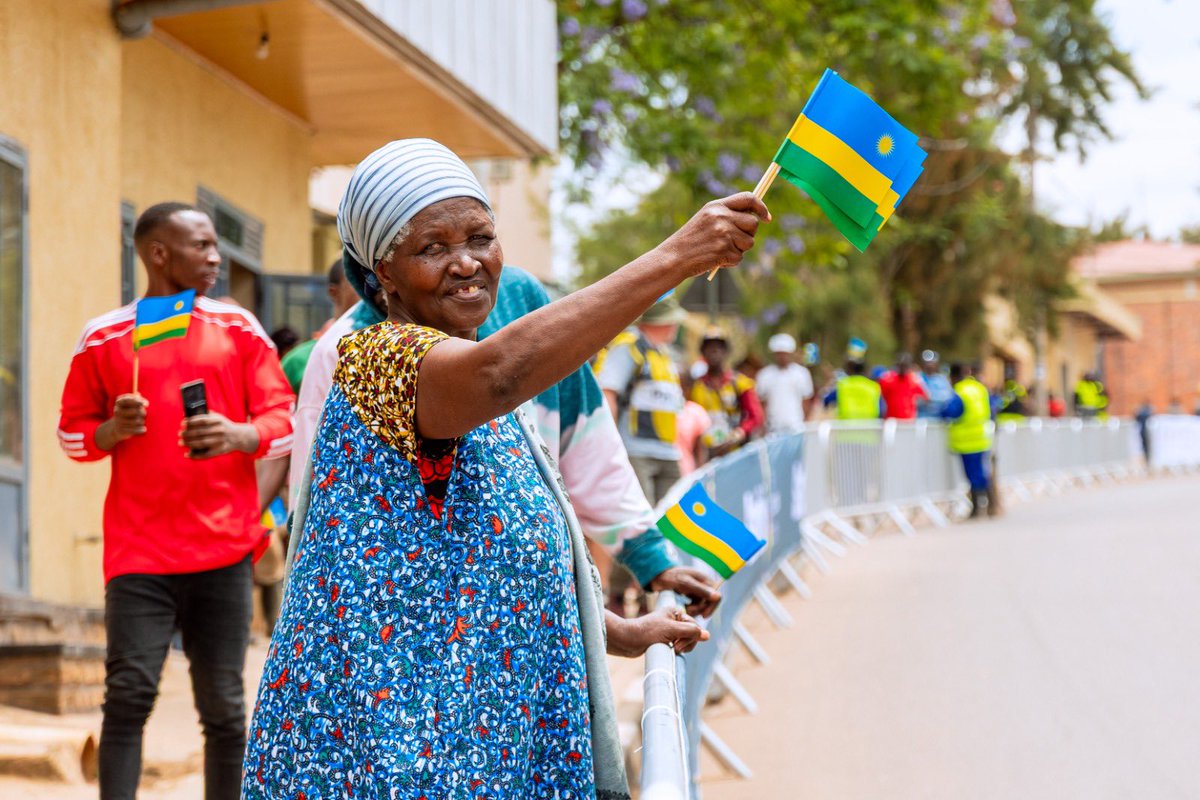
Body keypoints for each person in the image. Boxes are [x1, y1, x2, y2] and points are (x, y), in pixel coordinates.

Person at [243, 138, 767, 798]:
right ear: (384, 274)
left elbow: (489, 573)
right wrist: (674, 259)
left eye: (481, 237)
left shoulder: (472, 381)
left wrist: (621, 632)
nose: (467, 263)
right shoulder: (373, 362)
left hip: (478, 741)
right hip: (392, 748)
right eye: (432, 248)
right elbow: (499, 374)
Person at [57, 202, 294, 799]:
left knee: (224, 707)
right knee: (129, 695)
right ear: (158, 254)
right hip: (139, 553)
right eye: (203, 246)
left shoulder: (239, 328)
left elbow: (285, 418)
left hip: (224, 545)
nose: (216, 257)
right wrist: (110, 431)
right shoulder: (104, 337)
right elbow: (70, 434)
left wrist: (240, 435)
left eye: (217, 245)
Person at [595, 297, 689, 505]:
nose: (675, 327)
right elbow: (608, 393)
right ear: (662, 322)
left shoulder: (664, 354)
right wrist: (611, 444)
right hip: (636, 450)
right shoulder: (630, 347)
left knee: (670, 515)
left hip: (667, 451)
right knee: (643, 518)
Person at [279, 259, 361, 393]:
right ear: (334, 292)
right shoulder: (298, 360)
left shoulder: (384, 350)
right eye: (357, 283)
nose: (368, 290)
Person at [690, 327, 764, 456]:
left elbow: (756, 416)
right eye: (710, 347)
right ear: (702, 351)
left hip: (734, 453)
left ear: (726, 352)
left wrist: (739, 433)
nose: (714, 351)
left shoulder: (741, 384)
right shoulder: (696, 386)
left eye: (719, 347)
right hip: (706, 453)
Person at [940, 363, 997, 518]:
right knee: (981, 472)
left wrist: (941, 412)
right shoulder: (979, 388)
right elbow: (992, 408)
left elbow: (952, 412)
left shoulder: (961, 391)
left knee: (973, 474)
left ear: (953, 376)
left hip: (966, 440)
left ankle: (978, 508)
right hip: (982, 438)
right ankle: (991, 505)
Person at [755, 333, 815, 433]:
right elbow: (761, 403)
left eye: (785, 353)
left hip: (796, 428)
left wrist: (805, 423)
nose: (782, 357)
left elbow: (807, 401)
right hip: (772, 430)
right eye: (779, 353)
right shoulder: (764, 375)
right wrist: (763, 427)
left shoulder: (801, 373)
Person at [877, 352, 928, 421]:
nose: (903, 368)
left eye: (906, 365)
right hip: (891, 420)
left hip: (909, 420)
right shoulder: (887, 379)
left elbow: (925, 398)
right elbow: (880, 395)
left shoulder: (915, 380)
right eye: (901, 365)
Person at [916, 350, 954, 418]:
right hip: (920, 418)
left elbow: (948, 397)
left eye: (932, 363)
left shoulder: (942, 380)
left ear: (936, 364)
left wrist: (930, 398)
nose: (929, 365)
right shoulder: (916, 378)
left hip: (938, 418)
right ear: (922, 364)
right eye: (927, 363)